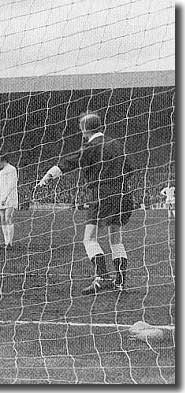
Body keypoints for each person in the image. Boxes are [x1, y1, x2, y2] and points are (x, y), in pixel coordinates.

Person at [38, 112, 134, 294]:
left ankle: (103, 278)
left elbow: (69, 162)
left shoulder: (91, 146)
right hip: (124, 194)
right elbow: (129, 168)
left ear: (83, 130)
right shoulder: (116, 144)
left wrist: (48, 176)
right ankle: (120, 283)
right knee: (116, 238)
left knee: (89, 238)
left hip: (102, 194)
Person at [0, 155, 18, 248]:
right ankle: (6, 241)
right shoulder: (2, 172)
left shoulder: (12, 169)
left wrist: (5, 197)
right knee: (2, 219)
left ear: (3, 161)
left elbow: (12, 184)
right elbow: (0, 186)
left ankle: (10, 242)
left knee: (8, 217)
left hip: (10, 197)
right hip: (1, 197)